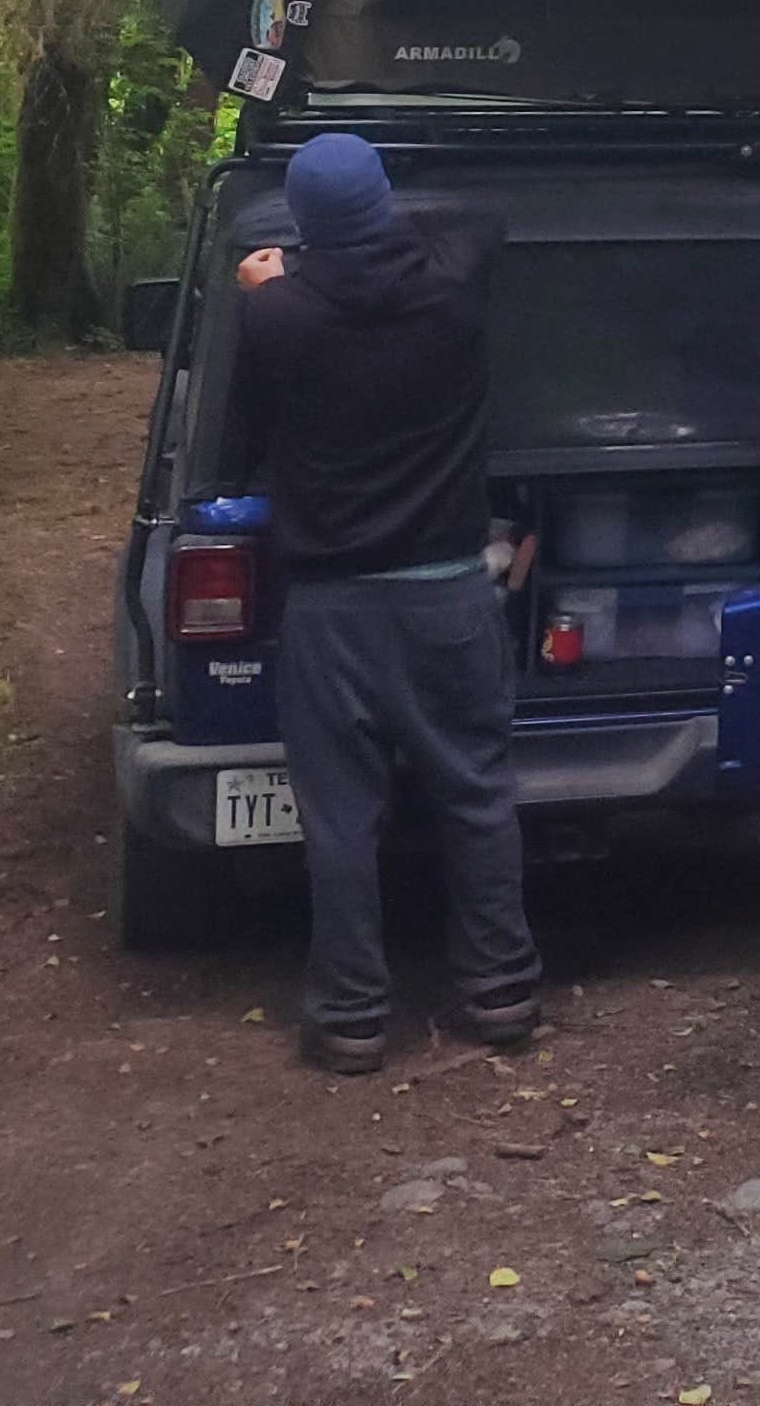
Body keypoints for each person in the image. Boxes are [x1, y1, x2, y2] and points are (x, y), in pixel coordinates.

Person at [222, 130, 539, 1073]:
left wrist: (273, 280)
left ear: (304, 227)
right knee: (478, 795)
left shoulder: (280, 318)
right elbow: (478, 217)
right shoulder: (454, 292)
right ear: (385, 205)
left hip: (332, 610)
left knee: (342, 818)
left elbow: (241, 446)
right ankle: (502, 992)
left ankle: (354, 1016)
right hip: (449, 596)